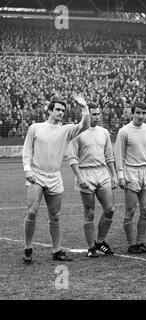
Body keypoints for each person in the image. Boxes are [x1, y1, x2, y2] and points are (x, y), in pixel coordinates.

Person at [22, 94, 90, 263]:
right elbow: (27, 150)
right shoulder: (35, 127)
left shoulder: (65, 130)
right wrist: (27, 169)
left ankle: (56, 250)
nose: (61, 112)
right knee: (32, 212)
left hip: (54, 176)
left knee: (55, 215)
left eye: (63, 110)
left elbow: (85, 126)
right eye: (58, 110)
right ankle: (28, 247)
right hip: (36, 174)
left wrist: (84, 107)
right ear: (50, 111)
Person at [68, 103, 117, 258]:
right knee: (89, 213)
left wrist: (114, 175)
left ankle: (100, 241)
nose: (97, 117)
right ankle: (91, 246)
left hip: (102, 173)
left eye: (98, 114)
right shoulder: (77, 133)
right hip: (85, 173)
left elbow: (109, 156)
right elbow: (72, 158)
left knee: (110, 209)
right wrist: (79, 176)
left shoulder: (104, 132)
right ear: (87, 115)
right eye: (94, 114)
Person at [115, 102, 146, 254]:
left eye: (143, 113)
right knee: (130, 211)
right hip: (131, 172)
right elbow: (119, 154)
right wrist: (120, 175)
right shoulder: (124, 131)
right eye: (138, 113)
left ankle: (140, 242)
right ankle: (132, 244)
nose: (141, 116)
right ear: (132, 114)